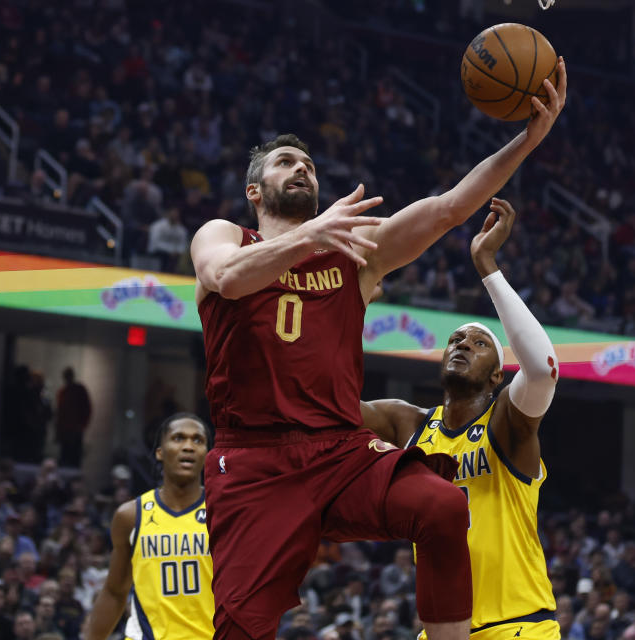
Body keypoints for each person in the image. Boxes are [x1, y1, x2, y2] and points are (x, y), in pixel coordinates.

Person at [190, 59, 567, 640]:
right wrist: (307, 237)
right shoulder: (223, 235)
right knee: (239, 630)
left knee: (442, 506)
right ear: (254, 189)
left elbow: (448, 208)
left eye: (310, 166)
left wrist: (528, 139)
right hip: (253, 463)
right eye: (286, 163)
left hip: (339, 452)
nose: (302, 170)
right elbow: (228, 279)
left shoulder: (354, 249)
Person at [360, 199, 560, 639]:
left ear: (496, 374)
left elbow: (544, 369)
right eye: (455, 339)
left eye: (479, 342)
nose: (463, 343)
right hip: (442, 631)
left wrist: (487, 265)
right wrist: (347, 308)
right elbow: (327, 405)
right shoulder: (408, 423)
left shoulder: (507, 423)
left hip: (517, 626)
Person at [85, 413, 213, 640]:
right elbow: (115, 593)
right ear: (160, 452)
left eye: (198, 440)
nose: (188, 447)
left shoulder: (224, 513)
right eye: (178, 438)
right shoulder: (130, 515)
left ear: (207, 455)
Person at [55, 368, 92, 468]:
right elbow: (60, 413)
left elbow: (87, 409)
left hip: (75, 430)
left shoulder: (79, 390)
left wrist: (81, 426)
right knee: (65, 456)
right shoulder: (62, 392)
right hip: (65, 431)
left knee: (74, 457)